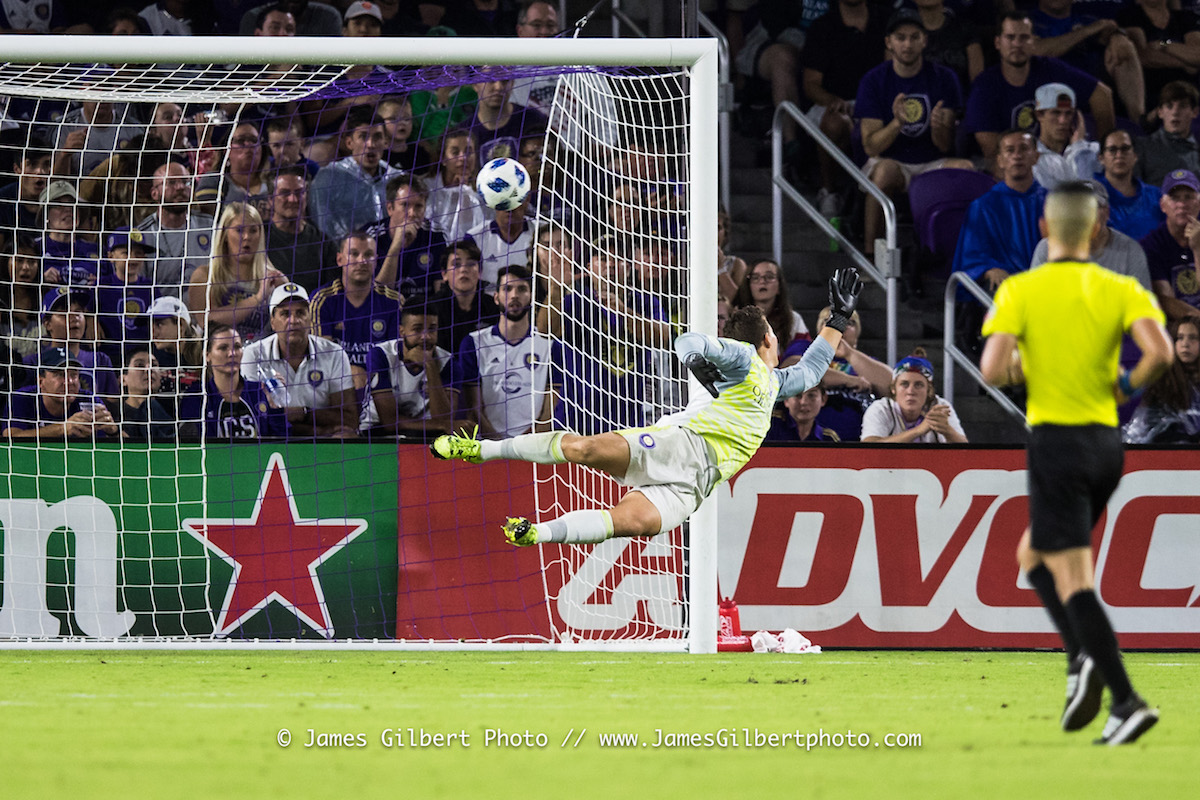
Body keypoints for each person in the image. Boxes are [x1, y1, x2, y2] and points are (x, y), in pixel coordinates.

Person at [429, 268, 864, 546]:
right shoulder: (740, 356)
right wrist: (695, 357)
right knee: (584, 450)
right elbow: (687, 341)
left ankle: (534, 534)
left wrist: (839, 319)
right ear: (766, 338)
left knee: (628, 523)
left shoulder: (773, 382)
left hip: (695, 484)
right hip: (682, 445)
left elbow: (810, 372)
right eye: (772, 332)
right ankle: (481, 449)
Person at [980, 180, 1172, 745]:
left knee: (1073, 579)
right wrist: (1124, 384)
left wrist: (1026, 366)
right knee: (1032, 558)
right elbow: (1160, 353)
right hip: (1108, 446)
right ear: (1095, 230)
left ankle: (1125, 697)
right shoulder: (1119, 285)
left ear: (1045, 228)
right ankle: (1078, 662)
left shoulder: (1022, 289)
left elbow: (992, 369)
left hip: (1057, 443)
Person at [856, 9, 971, 257]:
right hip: (894, 163)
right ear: (889, 42)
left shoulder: (944, 78)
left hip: (932, 162)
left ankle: (961, 254)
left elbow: (944, 146)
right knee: (883, 171)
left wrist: (940, 128)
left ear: (924, 40)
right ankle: (870, 255)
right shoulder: (874, 80)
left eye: (914, 37)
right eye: (900, 37)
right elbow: (871, 147)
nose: (907, 44)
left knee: (966, 169)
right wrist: (897, 123)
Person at [964, 12, 1114, 165]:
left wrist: (1104, 151)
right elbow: (991, 150)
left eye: (1024, 38)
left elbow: (1102, 94)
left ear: (1034, 42)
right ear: (997, 43)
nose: (1017, 44)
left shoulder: (1049, 68)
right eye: (1010, 37)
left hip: (1054, 162)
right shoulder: (984, 85)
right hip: (1006, 167)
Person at [801, 0, 888, 216]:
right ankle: (829, 191)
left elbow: (891, 75)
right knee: (834, 122)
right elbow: (810, 84)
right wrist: (832, 100)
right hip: (834, 104)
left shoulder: (885, 22)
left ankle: (871, 198)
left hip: (876, 105)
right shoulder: (823, 27)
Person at [241, 282, 359, 438]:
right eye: (285, 314)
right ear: (273, 322)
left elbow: (349, 419)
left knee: (347, 436)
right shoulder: (254, 355)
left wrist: (303, 413)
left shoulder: (334, 353)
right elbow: (258, 418)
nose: (293, 320)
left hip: (323, 442)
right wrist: (316, 430)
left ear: (310, 319)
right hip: (275, 439)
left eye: (300, 313)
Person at [453, 265, 557, 439]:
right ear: (496, 297)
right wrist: (500, 446)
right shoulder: (473, 343)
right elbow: (474, 409)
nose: (514, 295)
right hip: (488, 445)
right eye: (507, 289)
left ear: (531, 297)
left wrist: (526, 445)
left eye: (522, 289)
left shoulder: (549, 344)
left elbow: (550, 410)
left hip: (532, 446)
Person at [186, 202, 287, 341]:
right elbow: (206, 321)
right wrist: (257, 298)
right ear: (225, 235)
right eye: (239, 230)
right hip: (220, 357)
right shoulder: (205, 276)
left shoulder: (275, 279)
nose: (247, 237)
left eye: (253, 230)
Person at [1031, 0, 1144, 123]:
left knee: (1124, 47)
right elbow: (1038, 50)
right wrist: (1087, 31)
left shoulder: (1086, 19)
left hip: (1093, 81)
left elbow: (1136, 34)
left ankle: (1139, 121)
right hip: (1052, 83)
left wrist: (1118, 35)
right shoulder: (1030, 21)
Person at [310, 231, 401, 376]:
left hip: (382, 383)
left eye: (368, 255)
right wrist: (352, 372)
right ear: (339, 259)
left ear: (376, 260)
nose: (362, 261)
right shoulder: (321, 300)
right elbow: (323, 358)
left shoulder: (394, 302)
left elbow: (395, 358)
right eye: (354, 254)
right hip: (337, 382)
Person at [1031, 179, 1152, 289]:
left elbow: (1142, 306)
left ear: (1107, 212)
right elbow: (1034, 300)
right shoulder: (1047, 248)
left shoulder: (1130, 251)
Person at [361, 297, 453, 435]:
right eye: (417, 329)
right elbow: (390, 422)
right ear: (402, 331)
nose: (425, 337)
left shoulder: (448, 362)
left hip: (426, 433)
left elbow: (445, 420)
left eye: (432, 330)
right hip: (377, 431)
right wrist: (441, 425)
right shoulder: (380, 355)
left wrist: (430, 366)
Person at [179, 323, 289, 438]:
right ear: (207, 356)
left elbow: (283, 440)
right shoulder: (197, 397)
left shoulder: (260, 391)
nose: (232, 353)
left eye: (237, 347)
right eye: (223, 348)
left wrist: (276, 408)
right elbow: (191, 444)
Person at [308, 105, 402, 240]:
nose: (371, 144)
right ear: (349, 143)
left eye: (377, 137)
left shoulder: (398, 179)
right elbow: (323, 229)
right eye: (363, 137)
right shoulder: (328, 178)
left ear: (386, 142)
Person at [136, 160, 215, 297]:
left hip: (205, 313)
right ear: (154, 194)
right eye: (171, 182)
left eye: (186, 182)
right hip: (161, 316)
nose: (180, 187)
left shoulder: (210, 227)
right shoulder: (143, 235)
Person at [3, 347, 119, 439]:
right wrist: (62, 428)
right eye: (59, 374)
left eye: (73, 374)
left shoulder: (89, 400)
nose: (69, 381)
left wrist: (113, 432)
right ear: (41, 381)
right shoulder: (21, 398)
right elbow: (11, 438)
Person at [860, 351, 968, 442]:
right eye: (904, 384)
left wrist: (947, 430)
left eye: (918, 385)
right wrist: (918, 430)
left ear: (929, 390)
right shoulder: (881, 408)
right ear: (894, 389)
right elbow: (868, 446)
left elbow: (966, 450)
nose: (911, 391)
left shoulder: (939, 407)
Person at [1123, 315, 1200, 443]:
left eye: (1193, 338)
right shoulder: (1162, 384)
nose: (1185, 344)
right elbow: (1154, 432)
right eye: (1179, 338)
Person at [263, 165, 337, 293]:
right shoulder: (258, 236)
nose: (293, 199)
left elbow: (331, 291)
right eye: (285, 193)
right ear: (270, 199)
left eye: (299, 192)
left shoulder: (323, 243)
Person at [371, 174, 449, 294]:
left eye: (418, 206)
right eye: (405, 205)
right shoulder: (371, 238)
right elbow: (376, 297)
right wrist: (395, 247)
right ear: (390, 208)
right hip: (385, 311)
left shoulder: (435, 235)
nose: (412, 213)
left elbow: (441, 294)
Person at [1138, 169, 1200, 320]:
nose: (1181, 204)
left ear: (1198, 204)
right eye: (1174, 198)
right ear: (1163, 205)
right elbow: (1166, 302)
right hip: (1179, 325)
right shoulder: (1151, 246)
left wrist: (1197, 249)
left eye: (1188, 197)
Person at [426, 240, 500, 356]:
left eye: (471, 264)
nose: (464, 270)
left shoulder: (492, 307)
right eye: (456, 264)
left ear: (480, 272)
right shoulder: (431, 308)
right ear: (444, 274)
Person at [1095, 129, 1164, 242]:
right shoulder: (1089, 196)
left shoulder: (1156, 196)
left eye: (1125, 149)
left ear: (1135, 156)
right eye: (1112, 150)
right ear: (1101, 158)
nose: (1119, 155)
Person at [1030, 83, 1101, 190]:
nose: (1063, 120)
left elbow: (1096, 196)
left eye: (1068, 113)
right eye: (1056, 113)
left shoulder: (1094, 151)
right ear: (1039, 115)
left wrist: (1079, 147)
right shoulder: (1032, 158)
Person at [731, 259, 810, 356]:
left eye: (769, 277)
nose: (762, 281)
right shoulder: (737, 317)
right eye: (755, 277)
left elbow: (803, 350)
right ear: (749, 285)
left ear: (779, 286)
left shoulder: (794, 319)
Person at [1133, 81, 1200, 188]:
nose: (1175, 112)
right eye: (1169, 106)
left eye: (1182, 106)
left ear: (1195, 112)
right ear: (1160, 112)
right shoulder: (1142, 147)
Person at [104, 349, 176, 441]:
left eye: (154, 365)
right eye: (139, 365)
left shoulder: (173, 412)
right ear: (123, 380)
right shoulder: (112, 415)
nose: (149, 369)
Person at [465, 195, 532, 289]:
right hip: (487, 301)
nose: (509, 207)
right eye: (503, 199)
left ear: (527, 200)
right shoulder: (474, 237)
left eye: (514, 198)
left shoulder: (542, 233)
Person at [765, 383, 841, 442]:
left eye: (811, 395)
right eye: (797, 395)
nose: (804, 402)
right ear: (786, 399)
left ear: (823, 399)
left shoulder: (829, 438)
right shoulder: (769, 425)